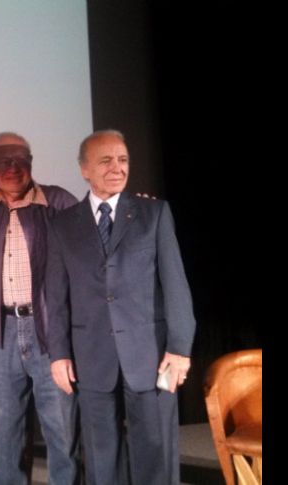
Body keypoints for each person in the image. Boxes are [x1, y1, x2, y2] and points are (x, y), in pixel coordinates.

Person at [46, 129, 196, 485]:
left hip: (151, 355)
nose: (117, 168)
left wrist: (179, 348)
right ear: (84, 169)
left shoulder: (154, 213)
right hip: (91, 356)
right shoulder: (63, 225)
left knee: (155, 458)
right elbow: (56, 296)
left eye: (123, 160)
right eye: (106, 160)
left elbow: (176, 285)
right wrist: (58, 353)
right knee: (101, 461)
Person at [0, 132, 81, 484]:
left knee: (62, 429)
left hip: (51, 332)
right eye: (3, 161)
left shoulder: (59, 201)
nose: (12, 168)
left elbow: (87, 259)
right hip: (1, 334)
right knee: (3, 433)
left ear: (31, 162)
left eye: (20, 159)